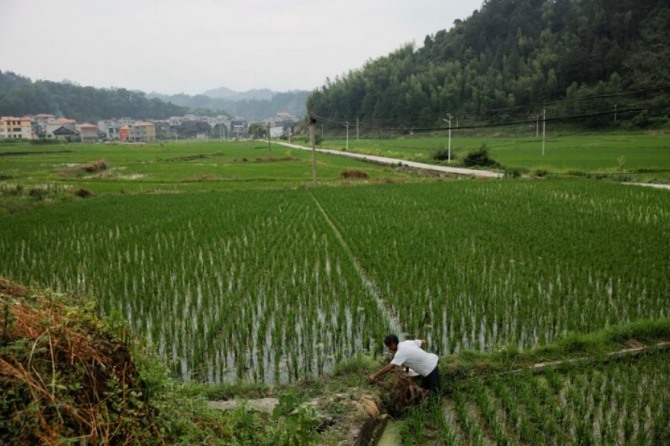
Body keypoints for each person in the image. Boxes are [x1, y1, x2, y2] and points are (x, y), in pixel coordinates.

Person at [368, 334, 440, 395]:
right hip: (430, 363)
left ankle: (436, 408)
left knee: (435, 393)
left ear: (393, 343)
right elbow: (423, 342)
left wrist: (374, 376)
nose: (389, 349)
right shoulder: (407, 342)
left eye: (389, 346)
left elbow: (388, 368)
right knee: (424, 389)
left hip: (430, 368)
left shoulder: (400, 352)